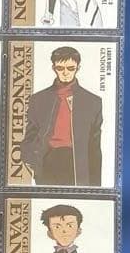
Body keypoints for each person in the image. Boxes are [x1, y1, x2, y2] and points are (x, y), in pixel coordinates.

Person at [19, 47, 103, 187]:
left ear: (78, 68)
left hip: (77, 164)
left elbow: (95, 148)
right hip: (47, 162)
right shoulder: (38, 99)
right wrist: (31, 163)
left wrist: (95, 188)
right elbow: (30, 137)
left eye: (70, 68)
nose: (65, 73)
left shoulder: (93, 101)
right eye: (60, 68)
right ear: (54, 68)